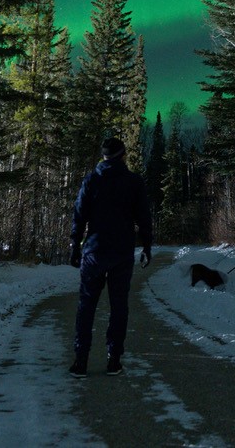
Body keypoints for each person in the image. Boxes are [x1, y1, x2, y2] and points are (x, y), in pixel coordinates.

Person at [69, 136, 153, 377]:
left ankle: (81, 361)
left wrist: (75, 245)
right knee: (118, 307)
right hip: (121, 254)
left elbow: (79, 214)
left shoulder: (91, 180)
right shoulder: (133, 182)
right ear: (123, 155)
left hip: (94, 252)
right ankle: (113, 360)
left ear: (103, 156)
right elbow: (144, 217)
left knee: (86, 307)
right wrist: (147, 246)